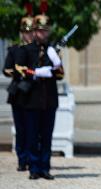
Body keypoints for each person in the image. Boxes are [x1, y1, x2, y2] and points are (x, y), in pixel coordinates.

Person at [15, 1, 64, 180]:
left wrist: (56, 62)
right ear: (34, 31)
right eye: (40, 30)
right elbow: (19, 69)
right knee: (32, 135)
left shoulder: (52, 50)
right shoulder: (27, 50)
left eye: (45, 30)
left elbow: (60, 74)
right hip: (31, 99)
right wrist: (35, 72)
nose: (42, 33)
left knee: (46, 136)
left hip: (49, 99)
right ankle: (34, 168)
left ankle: (45, 167)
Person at [2, 2, 34, 172]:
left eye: (30, 32)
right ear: (22, 33)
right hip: (18, 94)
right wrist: (16, 71)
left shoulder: (37, 50)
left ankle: (31, 157)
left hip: (33, 92)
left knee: (32, 129)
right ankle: (22, 159)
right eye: (25, 32)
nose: (28, 35)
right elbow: (6, 69)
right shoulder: (14, 50)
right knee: (21, 128)